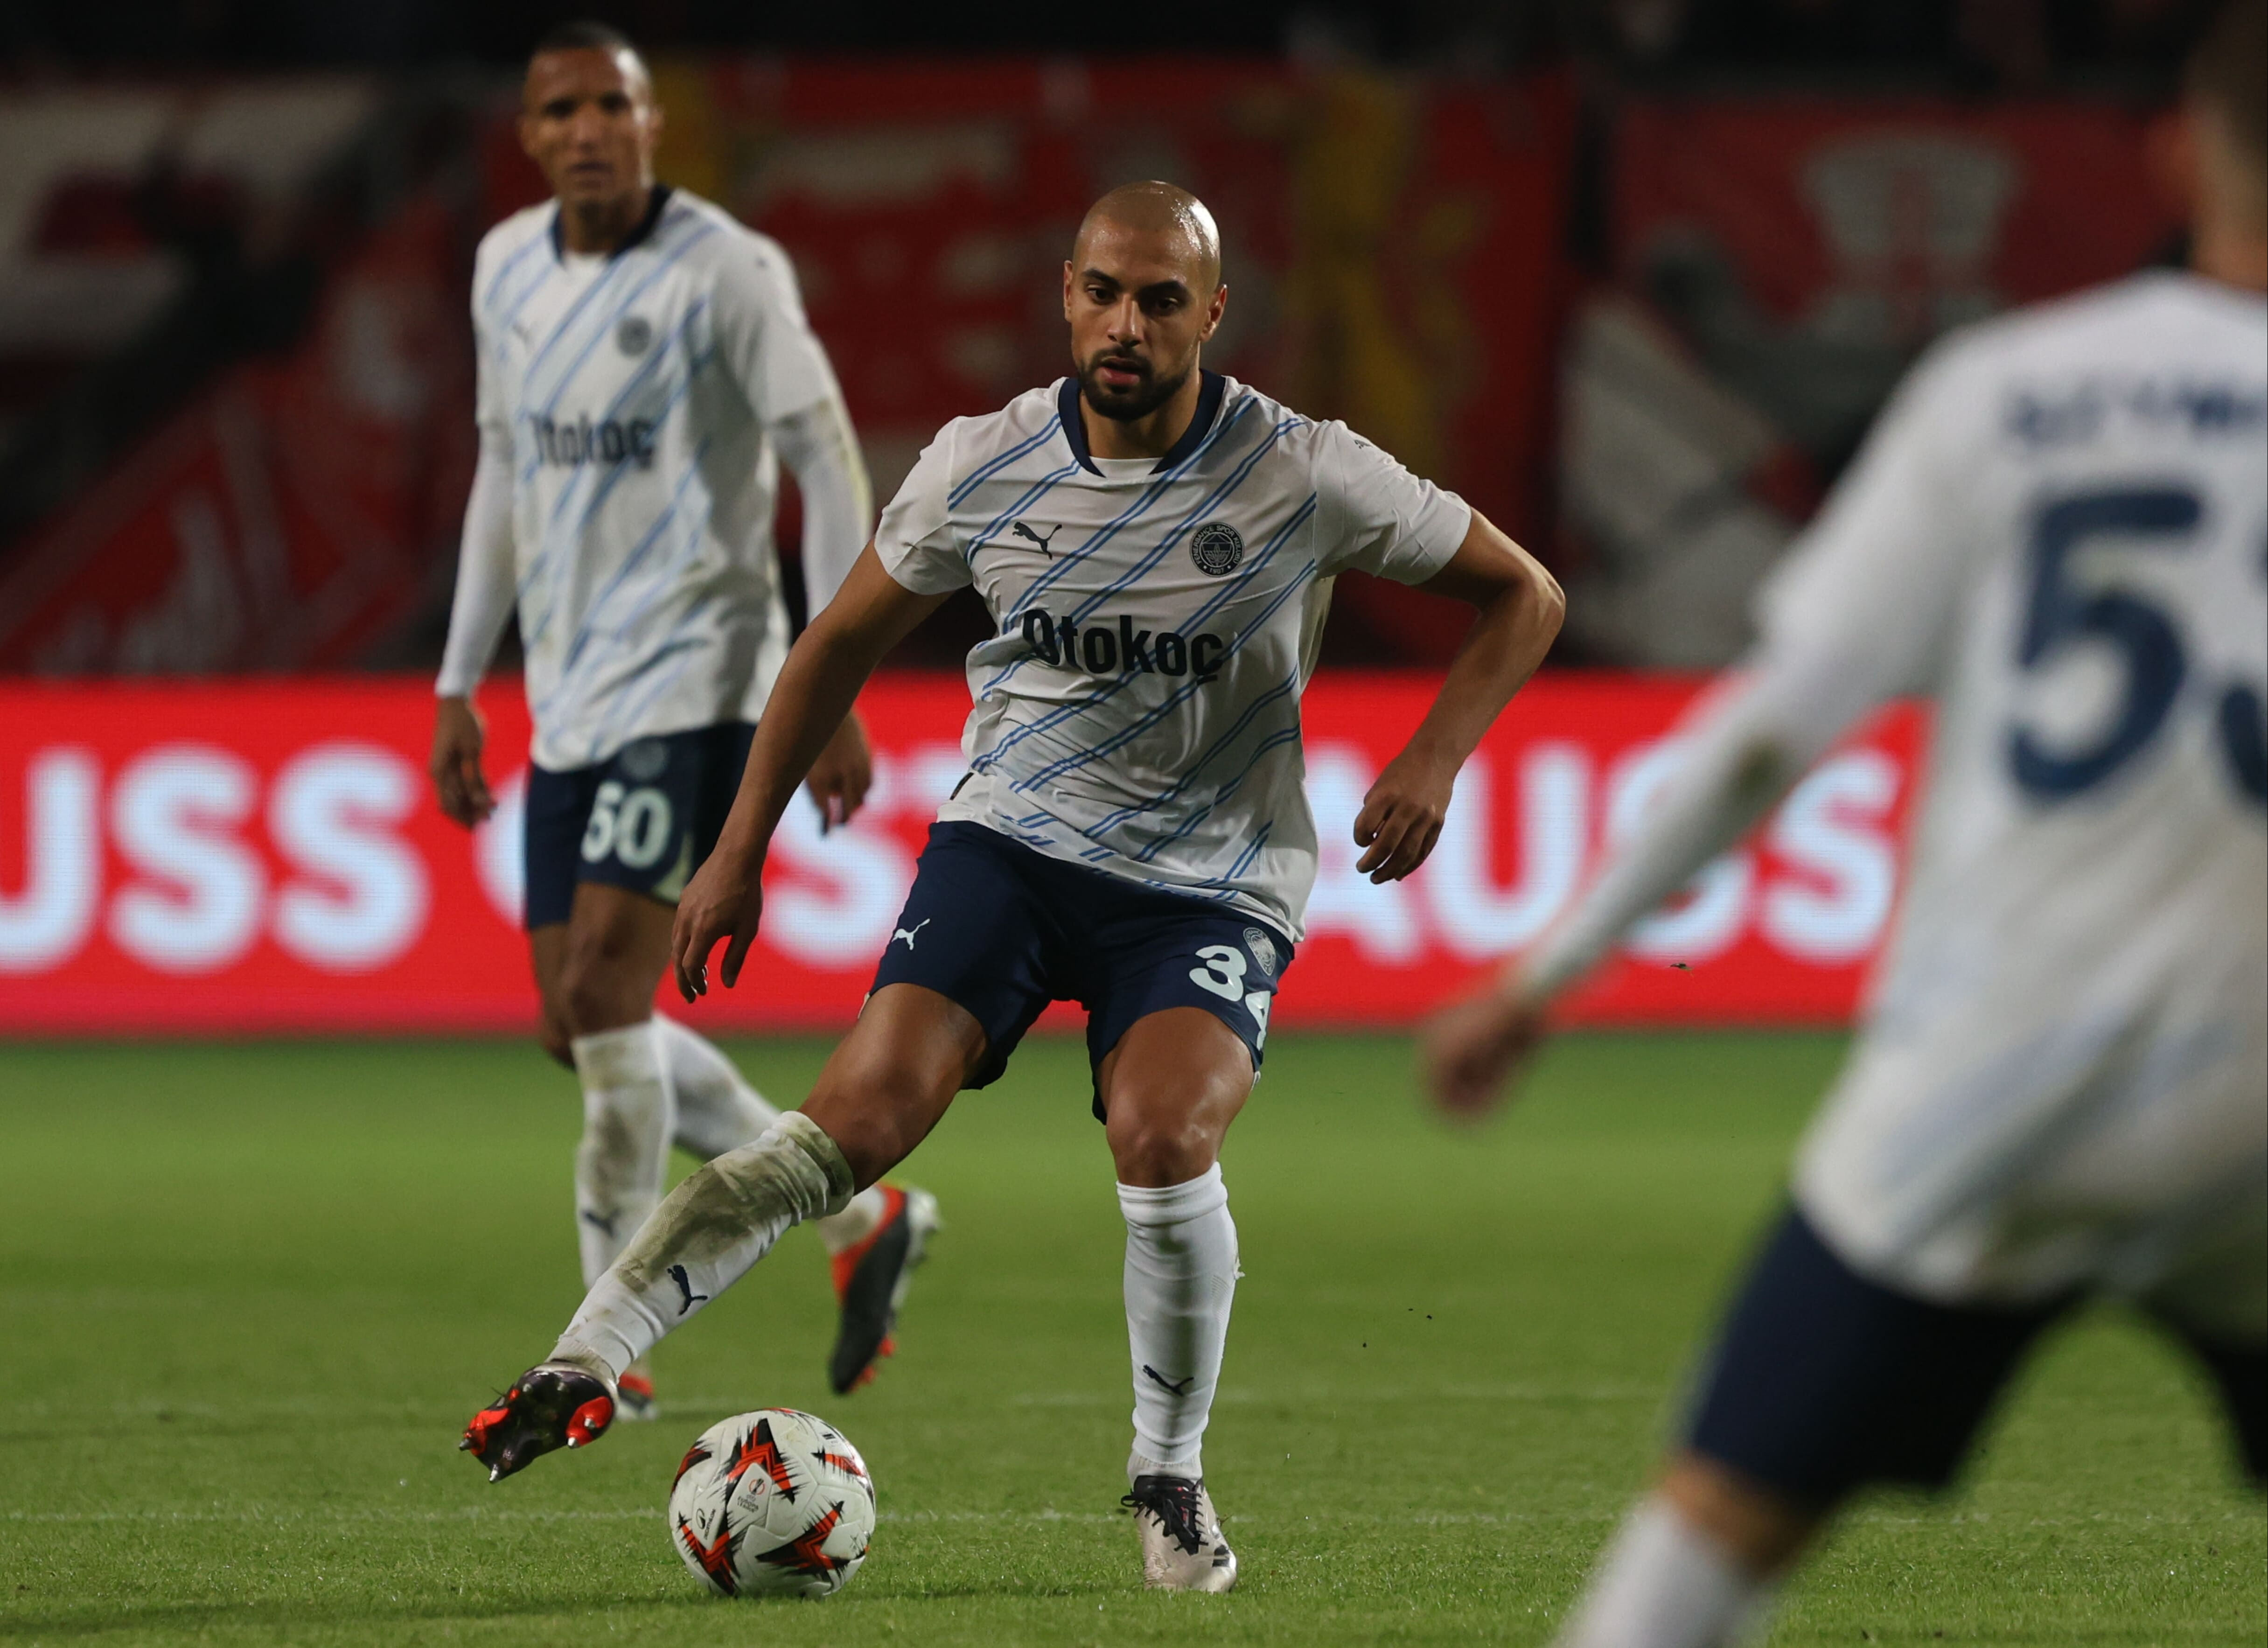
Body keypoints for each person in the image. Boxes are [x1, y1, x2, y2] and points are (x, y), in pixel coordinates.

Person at [458, 179, 1566, 1590]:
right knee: (851, 1119)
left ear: (1213, 316)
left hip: (1210, 878)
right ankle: (580, 1361)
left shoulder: (1304, 469)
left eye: (1164, 299)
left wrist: (1434, 755)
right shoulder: (982, 463)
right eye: (1105, 290)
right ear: (1067, 292)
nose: (1128, 323)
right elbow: (830, 647)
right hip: (1014, 844)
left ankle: (1169, 1470)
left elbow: (1526, 592)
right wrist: (736, 851)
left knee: (1163, 1137)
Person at [1423, 5, 2267, 1641]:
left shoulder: (2012, 394)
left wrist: (1543, 977)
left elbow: (1768, 736)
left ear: (2174, 149)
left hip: (2004, 1073)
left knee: (1716, 1529)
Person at [428, 21, 938, 1417]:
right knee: (572, 1018)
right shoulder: (506, 270)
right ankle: (861, 1221)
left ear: (653, 123)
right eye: (561, 109)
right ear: (529, 135)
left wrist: (829, 679)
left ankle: (604, 1345)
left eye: (615, 104)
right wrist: (459, 679)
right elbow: (501, 477)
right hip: (570, 696)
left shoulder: (728, 270)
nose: (589, 128)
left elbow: (825, 458)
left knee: (604, 993)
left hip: (705, 678)